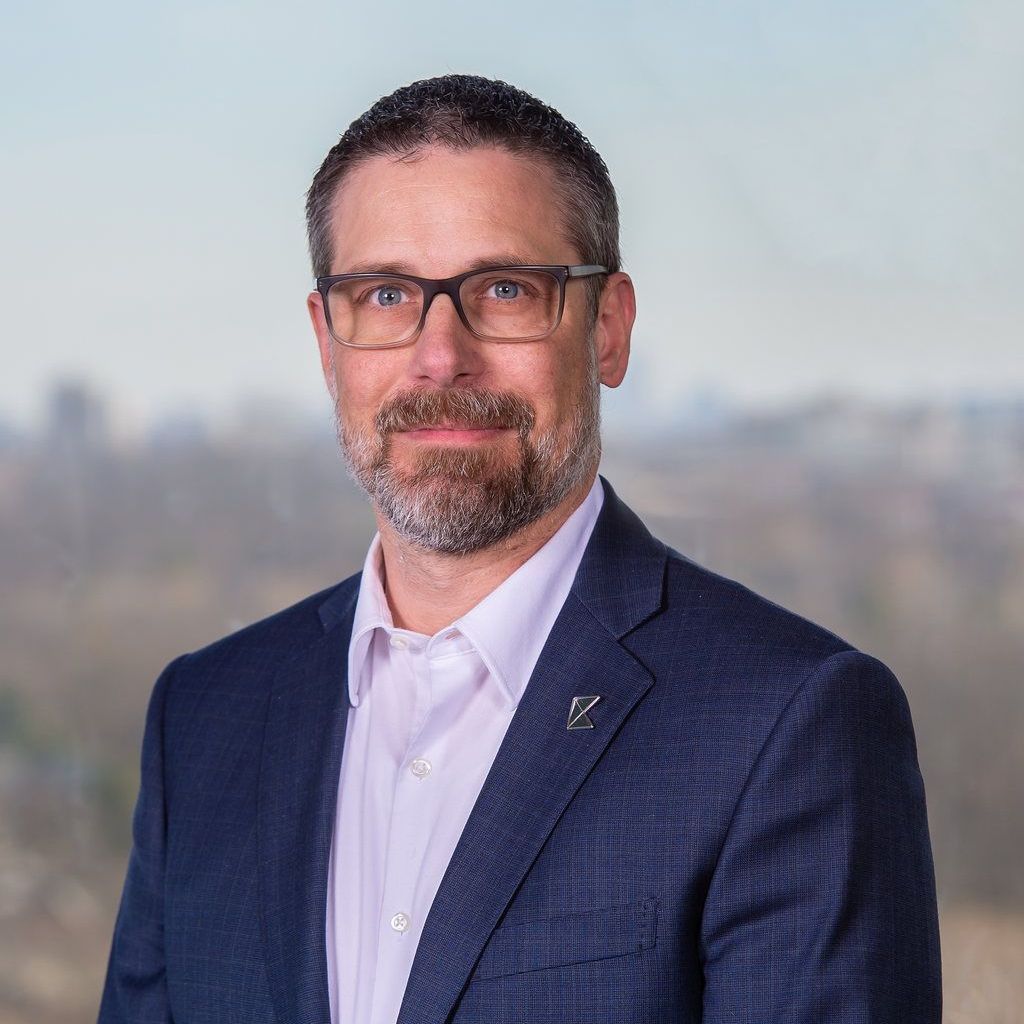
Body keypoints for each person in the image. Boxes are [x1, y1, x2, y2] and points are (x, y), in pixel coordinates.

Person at [98, 74, 942, 1024]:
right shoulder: (205, 717)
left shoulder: (790, 725)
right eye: (385, 294)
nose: (440, 354)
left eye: (505, 289)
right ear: (327, 343)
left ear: (609, 331)